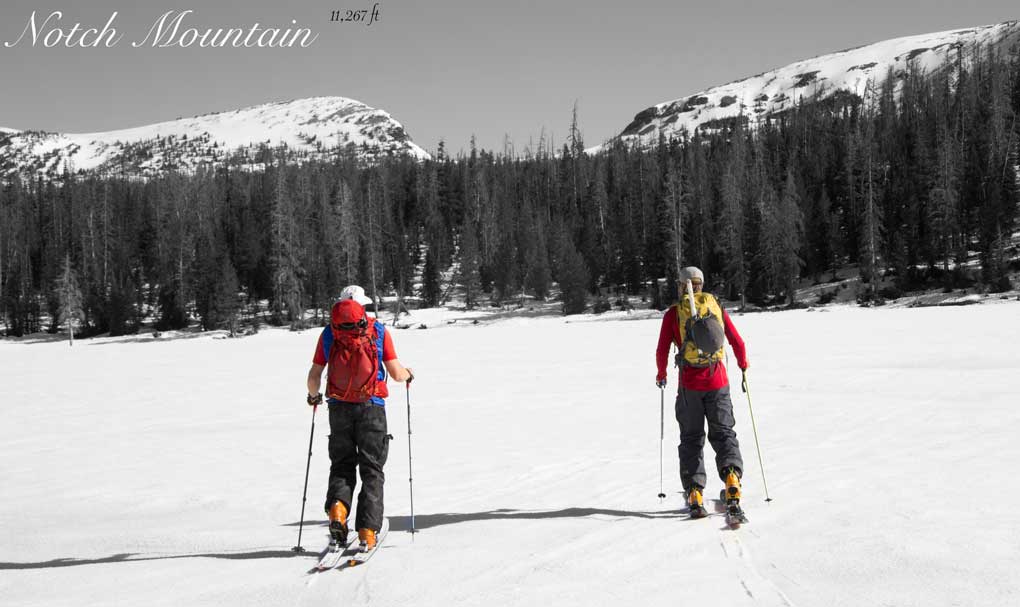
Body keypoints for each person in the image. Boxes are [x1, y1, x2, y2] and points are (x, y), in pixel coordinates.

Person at [306, 298, 413, 550]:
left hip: (338, 408)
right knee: (372, 469)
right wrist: (409, 374)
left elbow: (314, 376)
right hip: (372, 407)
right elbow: (397, 373)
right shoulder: (377, 330)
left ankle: (338, 510)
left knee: (342, 465)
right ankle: (367, 531)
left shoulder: (329, 333)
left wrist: (313, 397)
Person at [655, 266, 749, 515]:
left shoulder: (674, 314)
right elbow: (737, 341)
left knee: (691, 439)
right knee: (724, 433)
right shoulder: (715, 306)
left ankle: (695, 491)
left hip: (689, 387)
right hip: (718, 382)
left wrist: (662, 374)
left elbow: (662, 350)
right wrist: (742, 364)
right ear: (700, 284)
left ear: (682, 285)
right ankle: (731, 480)